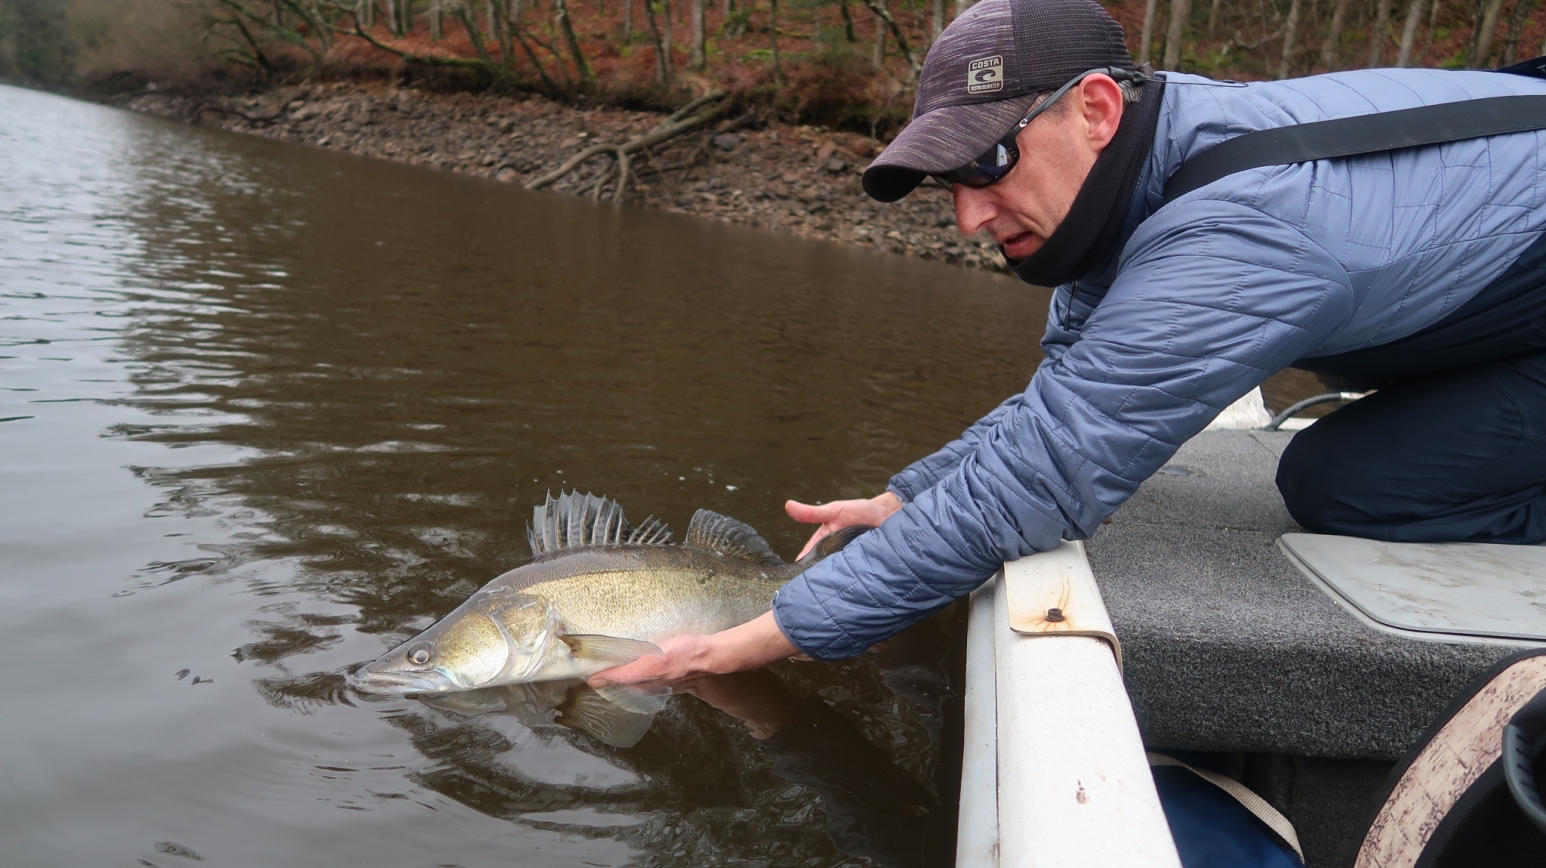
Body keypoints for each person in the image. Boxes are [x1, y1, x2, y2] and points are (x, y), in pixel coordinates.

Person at [592, 0, 1546, 688]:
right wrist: (908, 497)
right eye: (950, 183)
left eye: (988, 162)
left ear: (1095, 108)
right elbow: (1067, 396)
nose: (969, 218)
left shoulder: (1242, 226)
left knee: (1349, 487)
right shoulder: (1150, 159)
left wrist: (770, 633)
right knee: (1342, 478)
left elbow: (1051, 469)